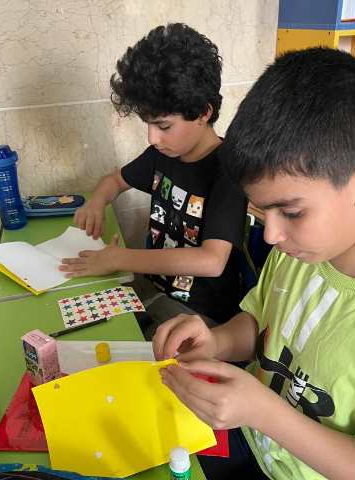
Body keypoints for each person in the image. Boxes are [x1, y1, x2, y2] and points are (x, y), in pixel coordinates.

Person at [154, 47, 355, 479]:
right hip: (254, 445)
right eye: (261, 212)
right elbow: (262, 322)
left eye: (290, 212)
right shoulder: (302, 250)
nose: (271, 234)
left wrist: (263, 411)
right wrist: (216, 341)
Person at [59, 23, 248, 334]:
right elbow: (114, 181)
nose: (152, 138)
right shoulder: (164, 154)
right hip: (158, 296)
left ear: (203, 112)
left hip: (202, 318)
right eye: (147, 124)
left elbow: (211, 261)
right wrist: (96, 202)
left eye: (163, 126)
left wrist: (121, 259)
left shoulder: (227, 172)